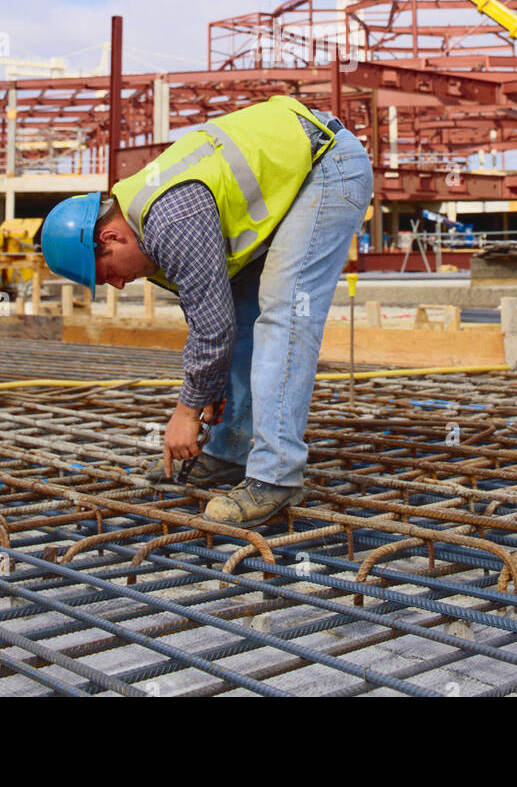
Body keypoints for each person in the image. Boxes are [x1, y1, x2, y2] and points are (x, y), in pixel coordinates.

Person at [41, 94, 373, 528]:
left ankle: (276, 476)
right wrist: (208, 390)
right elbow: (215, 319)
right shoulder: (149, 217)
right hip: (299, 179)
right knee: (244, 316)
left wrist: (185, 412)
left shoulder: (168, 218)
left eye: (108, 276)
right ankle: (231, 452)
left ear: (109, 237)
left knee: (282, 313)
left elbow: (212, 330)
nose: (119, 285)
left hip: (327, 168)